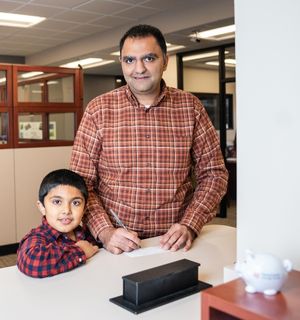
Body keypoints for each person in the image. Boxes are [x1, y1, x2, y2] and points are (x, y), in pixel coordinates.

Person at [70, 24, 228, 255]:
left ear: (165, 61)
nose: (139, 68)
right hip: (114, 243)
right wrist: (104, 232)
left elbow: (214, 174)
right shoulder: (98, 110)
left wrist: (189, 224)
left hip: (174, 244)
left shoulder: (190, 107)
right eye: (129, 60)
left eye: (149, 58)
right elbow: (80, 183)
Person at [17, 169, 99, 278]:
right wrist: (81, 251)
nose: (66, 210)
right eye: (57, 202)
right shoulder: (39, 237)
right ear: (42, 207)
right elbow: (31, 262)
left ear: (84, 209)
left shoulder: (87, 234)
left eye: (76, 203)